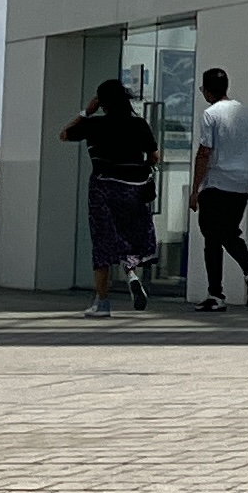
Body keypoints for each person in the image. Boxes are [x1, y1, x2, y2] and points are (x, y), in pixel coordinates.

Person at [61, 77, 160, 316]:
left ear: (102, 102)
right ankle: (132, 274)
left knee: (103, 242)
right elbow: (155, 155)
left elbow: (64, 134)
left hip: (104, 189)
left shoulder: (94, 125)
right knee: (130, 235)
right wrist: (143, 165)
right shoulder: (139, 124)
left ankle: (103, 302)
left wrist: (87, 111)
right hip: (133, 189)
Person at [189, 65, 248, 312]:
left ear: (207, 90)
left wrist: (195, 189)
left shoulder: (211, 114)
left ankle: (215, 294)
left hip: (217, 183)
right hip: (241, 182)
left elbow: (204, 153)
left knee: (212, 237)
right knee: (229, 232)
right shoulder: (246, 113)